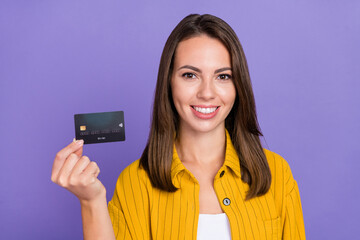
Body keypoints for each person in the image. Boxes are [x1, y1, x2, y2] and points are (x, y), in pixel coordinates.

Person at [51, 14, 306, 239]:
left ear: (238, 86)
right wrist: (91, 200)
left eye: (223, 76)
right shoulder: (135, 183)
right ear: (169, 82)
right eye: (190, 75)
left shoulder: (277, 175)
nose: (207, 93)